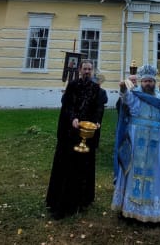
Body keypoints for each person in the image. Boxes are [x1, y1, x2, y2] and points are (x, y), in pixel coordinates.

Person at [111, 64, 160, 223]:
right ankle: (131, 209)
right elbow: (126, 99)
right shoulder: (136, 95)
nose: (148, 84)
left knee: (154, 172)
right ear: (141, 82)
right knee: (134, 171)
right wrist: (122, 89)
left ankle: (152, 212)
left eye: (150, 81)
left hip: (155, 142)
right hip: (137, 140)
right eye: (145, 81)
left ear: (154, 82)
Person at [46, 60, 105, 219]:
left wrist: (97, 120)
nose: (87, 72)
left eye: (89, 69)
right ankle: (63, 201)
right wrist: (73, 118)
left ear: (92, 71)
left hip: (87, 132)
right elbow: (67, 105)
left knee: (84, 166)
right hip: (70, 133)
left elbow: (98, 107)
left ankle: (82, 199)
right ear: (80, 70)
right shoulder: (72, 85)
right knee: (67, 166)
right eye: (84, 69)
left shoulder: (95, 89)